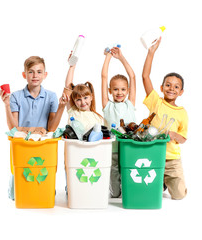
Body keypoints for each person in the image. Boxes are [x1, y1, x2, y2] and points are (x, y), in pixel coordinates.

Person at [0, 56, 69, 200]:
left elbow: (50, 128)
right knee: (16, 193)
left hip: (43, 145)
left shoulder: (51, 96)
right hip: (22, 144)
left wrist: (62, 107)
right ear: (24, 75)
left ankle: (42, 191)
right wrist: (7, 105)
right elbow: (14, 129)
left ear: (45, 75)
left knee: (42, 180)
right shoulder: (16, 97)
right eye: (31, 72)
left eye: (39, 72)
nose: (35, 76)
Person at [142, 38, 188, 200]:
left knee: (179, 195)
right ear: (162, 88)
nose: (171, 89)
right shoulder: (156, 102)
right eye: (168, 85)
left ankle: (168, 180)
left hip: (171, 159)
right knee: (150, 188)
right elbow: (145, 77)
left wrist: (174, 136)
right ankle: (160, 181)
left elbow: (183, 139)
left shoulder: (182, 113)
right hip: (153, 154)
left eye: (176, 86)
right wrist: (151, 53)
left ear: (181, 92)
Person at [101, 46, 136, 198]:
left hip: (130, 146)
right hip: (113, 148)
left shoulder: (130, 104)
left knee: (129, 169)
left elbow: (132, 76)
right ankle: (116, 190)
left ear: (127, 90)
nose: (119, 93)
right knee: (115, 191)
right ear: (110, 90)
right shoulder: (107, 105)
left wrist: (121, 58)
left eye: (123, 89)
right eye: (115, 89)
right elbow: (103, 77)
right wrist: (108, 57)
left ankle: (130, 189)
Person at [64, 53, 104, 132]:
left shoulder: (97, 117)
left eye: (85, 98)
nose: (83, 102)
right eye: (78, 99)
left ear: (91, 97)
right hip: (75, 144)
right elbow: (68, 87)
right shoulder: (74, 112)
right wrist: (72, 66)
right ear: (74, 101)